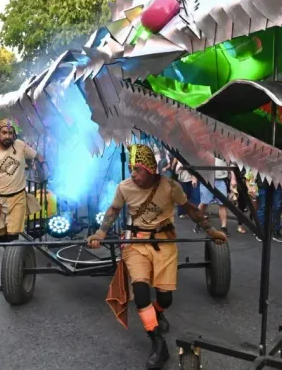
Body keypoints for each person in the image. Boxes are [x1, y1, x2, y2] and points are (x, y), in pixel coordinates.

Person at [86, 144, 227, 369]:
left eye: (138, 169)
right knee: (141, 293)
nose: (133, 173)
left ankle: (158, 312)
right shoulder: (124, 187)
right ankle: (157, 344)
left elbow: (190, 209)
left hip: (165, 243)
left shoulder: (171, 187)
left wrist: (211, 231)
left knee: (165, 299)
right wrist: (100, 233)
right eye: (132, 168)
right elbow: (113, 210)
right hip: (136, 244)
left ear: (151, 169)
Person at [0, 119, 47, 242]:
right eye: (4, 132)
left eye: (10, 133)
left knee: (13, 235)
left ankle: (13, 258)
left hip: (18, 197)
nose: (7, 136)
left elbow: (37, 156)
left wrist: (44, 164)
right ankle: (11, 258)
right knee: (2, 236)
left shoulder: (20, 145)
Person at [197, 157, 236, 237]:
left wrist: (233, 178)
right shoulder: (203, 149)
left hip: (220, 180)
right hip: (205, 180)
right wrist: (194, 178)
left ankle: (224, 227)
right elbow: (195, 162)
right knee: (204, 203)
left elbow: (231, 164)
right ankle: (198, 223)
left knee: (222, 204)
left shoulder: (223, 150)